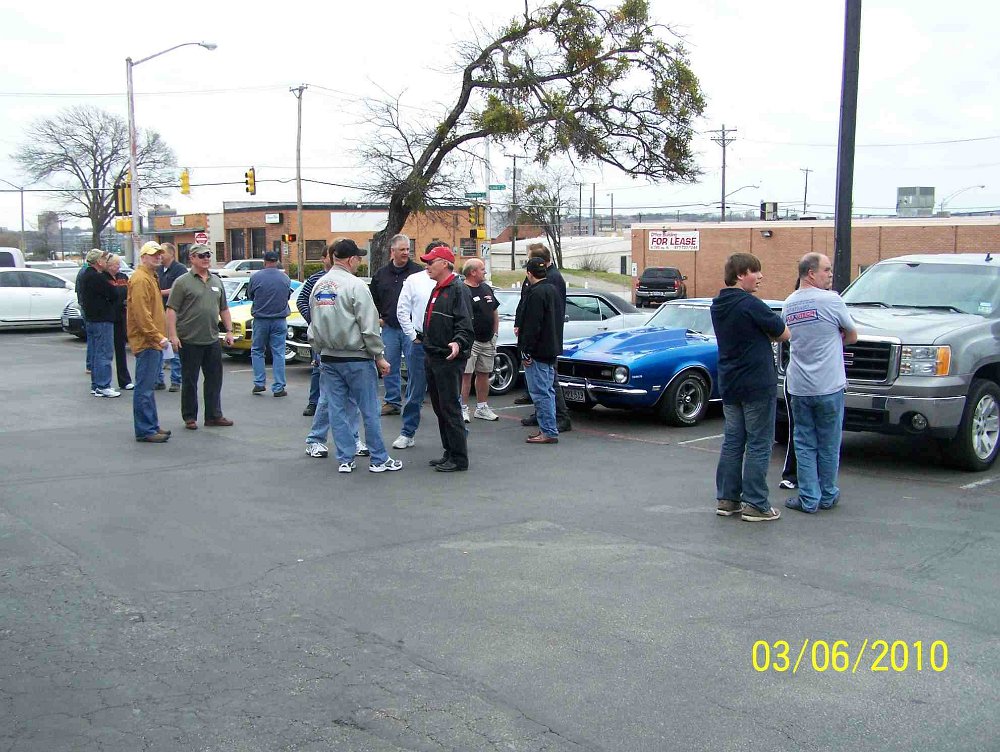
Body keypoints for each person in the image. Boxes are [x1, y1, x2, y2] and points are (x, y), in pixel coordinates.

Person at [309, 238, 401, 474]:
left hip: (329, 357)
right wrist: (379, 355)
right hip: (356, 356)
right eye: (358, 258)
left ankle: (345, 458)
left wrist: (318, 350)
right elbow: (368, 326)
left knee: (337, 410)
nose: (359, 262)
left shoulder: (319, 286)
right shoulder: (356, 286)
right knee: (369, 409)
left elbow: (313, 325)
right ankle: (378, 459)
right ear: (351, 260)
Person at [710, 253, 790, 522]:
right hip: (757, 383)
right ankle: (756, 504)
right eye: (755, 271)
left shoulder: (718, 305)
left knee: (733, 441)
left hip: (730, 383)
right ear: (741, 274)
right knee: (759, 443)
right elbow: (783, 333)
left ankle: (727, 499)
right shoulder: (751, 304)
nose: (760, 277)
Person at [782, 253, 857, 514]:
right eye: (826, 269)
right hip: (829, 384)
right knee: (829, 443)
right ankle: (827, 494)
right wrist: (836, 338)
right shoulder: (832, 300)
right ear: (811, 273)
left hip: (800, 385)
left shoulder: (789, 303)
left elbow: (787, 336)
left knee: (804, 443)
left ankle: (808, 497)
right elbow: (852, 335)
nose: (830, 274)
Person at [297, 242, 368, 460]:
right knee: (328, 397)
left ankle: (353, 438)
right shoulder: (319, 281)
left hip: (350, 349)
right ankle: (315, 439)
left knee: (351, 398)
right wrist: (318, 328)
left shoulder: (352, 282)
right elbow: (303, 302)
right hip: (328, 349)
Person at [166, 244, 235, 430]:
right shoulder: (182, 282)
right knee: (190, 380)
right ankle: (189, 417)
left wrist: (229, 331)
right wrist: (173, 335)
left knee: (214, 379)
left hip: (212, 338)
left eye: (208, 255)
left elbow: (224, 309)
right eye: (201, 256)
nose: (206, 259)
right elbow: (171, 310)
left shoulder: (216, 281)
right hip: (189, 339)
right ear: (192, 258)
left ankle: (213, 415)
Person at [420, 245, 474, 472]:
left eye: (430, 262)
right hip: (433, 355)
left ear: (444, 263)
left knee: (450, 407)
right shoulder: (438, 289)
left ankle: (459, 458)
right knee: (440, 408)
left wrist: (458, 342)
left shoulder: (458, 289)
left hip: (448, 358)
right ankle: (449, 451)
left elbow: (465, 324)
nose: (427, 266)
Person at [516, 244, 571, 432]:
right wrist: (519, 322)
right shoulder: (539, 281)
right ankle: (542, 414)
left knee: (547, 383)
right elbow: (524, 301)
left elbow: (545, 314)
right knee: (542, 384)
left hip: (544, 342)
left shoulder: (551, 280)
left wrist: (527, 347)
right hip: (541, 339)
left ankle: (559, 417)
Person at [370, 233, 423, 416]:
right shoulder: (381, 275)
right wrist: (380, 317)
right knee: (389, 366)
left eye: (408, 249)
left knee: (414, 366)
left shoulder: (418, 273)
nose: (406, 252)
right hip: (390, 328)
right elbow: (373, 299)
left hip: (412, 330)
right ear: (392, 251)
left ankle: (413, 402)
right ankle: (392, 401)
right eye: (402, 249)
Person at [391, 244, 437, 450]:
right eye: (428, 260)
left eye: (433, 260)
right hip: (420, 342)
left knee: (449, 391)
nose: (429, 265)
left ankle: (456, 435)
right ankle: (407, 432)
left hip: (444, 344)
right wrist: (412, 335)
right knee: (415, 389)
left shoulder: (454, 282)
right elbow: (402, 310)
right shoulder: (414, 280)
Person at [127, 242, 171, 443]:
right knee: (144, 387)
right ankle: (146, 429)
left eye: (160, 254)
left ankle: (151, 425)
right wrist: (157, 336)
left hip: (153, 341)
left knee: (148, 386)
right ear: (143, 257)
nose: (158, 257)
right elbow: (141, 314)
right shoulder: (140, 279)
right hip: (147, 342)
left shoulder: (150, 277)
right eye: (153, 254)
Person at [460, 258, 501, 423]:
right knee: (466, 375)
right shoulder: (462, 290)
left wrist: (495, 334)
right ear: (472, 272)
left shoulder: (486, 288)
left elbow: (494, 311)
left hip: (488, 340)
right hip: (471, 341)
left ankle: (482, 407)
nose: (485, 271)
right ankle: (462, 408)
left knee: (484, 373)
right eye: (482, 269)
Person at [248, 250, 292, 397]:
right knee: (279, 353)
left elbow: (251, 295)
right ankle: (279, 387)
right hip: (280, 320)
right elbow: (287, 296)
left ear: (264, 261)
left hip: (261, 319)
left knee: (257, 350)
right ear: (277, 261)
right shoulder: (285, 278)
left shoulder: (256, 277)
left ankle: (259, 383)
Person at [77, 250, 120, 398]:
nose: (106, 261)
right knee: (104, 353)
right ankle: (103, 385)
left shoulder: (85, 275)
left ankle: (96, 385)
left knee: (96, 353)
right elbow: (113, 293)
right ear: (98, 261)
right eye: (103, 258)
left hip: (91, 319)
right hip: (102, 319)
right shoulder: (96, 277)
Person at [156, 242, 186, 392]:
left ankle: (176, 380)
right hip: (159, 312)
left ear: (172, 254)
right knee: (158, 345)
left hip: (174, 312)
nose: (160, 255)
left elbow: (177, 289)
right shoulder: (158, 269)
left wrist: (158, 293)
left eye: (162, 252)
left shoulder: (180, 269)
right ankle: (158, 380)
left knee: (174, 346)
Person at [105, 255, 133, 391]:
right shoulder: (103, 278)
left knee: (121, 349)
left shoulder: (123, 277)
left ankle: (124, 380)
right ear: (109, 265)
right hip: (108, 317)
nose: (118, 267)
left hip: (122, 316)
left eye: (119, 264)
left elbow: (129, 292)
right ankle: (104, 382)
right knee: (106, 351)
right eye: (116, 264)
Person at [76, 255, 93, 375]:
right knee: (93, 338)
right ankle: (90, 364)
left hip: (84, 306)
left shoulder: (83, 270)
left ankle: (90, 364)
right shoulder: (87, 273)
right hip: (89, 309)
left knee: (91, 338)